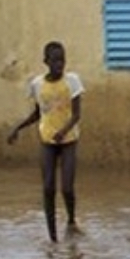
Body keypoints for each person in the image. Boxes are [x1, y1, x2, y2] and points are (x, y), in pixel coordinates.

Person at [8, 41, 84, 242]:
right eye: (55, 60)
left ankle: (70, 220)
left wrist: (63, 131)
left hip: (68, 140)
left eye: (62, 60)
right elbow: (38, 113)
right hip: (47, 140)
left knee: (67, 187)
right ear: (46, 61)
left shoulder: (73, 81)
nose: (60, 64)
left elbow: (77, 115)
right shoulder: (38, 84)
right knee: (48, 187)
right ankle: (53, 237)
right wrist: (17, 127)